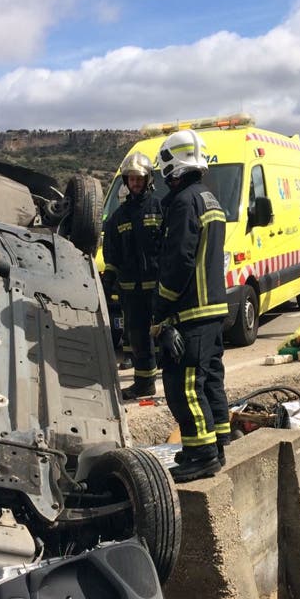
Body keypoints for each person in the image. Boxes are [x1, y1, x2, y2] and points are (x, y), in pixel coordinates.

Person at [153, 129, 230, 483]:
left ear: (173, 164)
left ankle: (201, 455)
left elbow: (179, 261)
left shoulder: (184, 203)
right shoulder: (209, 199)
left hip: (192, 312)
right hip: (214, 309)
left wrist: (161, 308)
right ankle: (217, 443)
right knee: (211, 378)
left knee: (185, 385)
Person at [101, 151, 164, 400]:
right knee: (138, 339)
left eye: (139, 178)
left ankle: (172, 382)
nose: (135, 183)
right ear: (126, 182)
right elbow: (112, 254)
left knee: (165, 335)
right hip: (131, 290)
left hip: (158, 288)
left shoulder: (160, 209)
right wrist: (108, 281)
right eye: (131, 179)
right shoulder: (118, 216)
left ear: (148, 179)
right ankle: (144, 384)